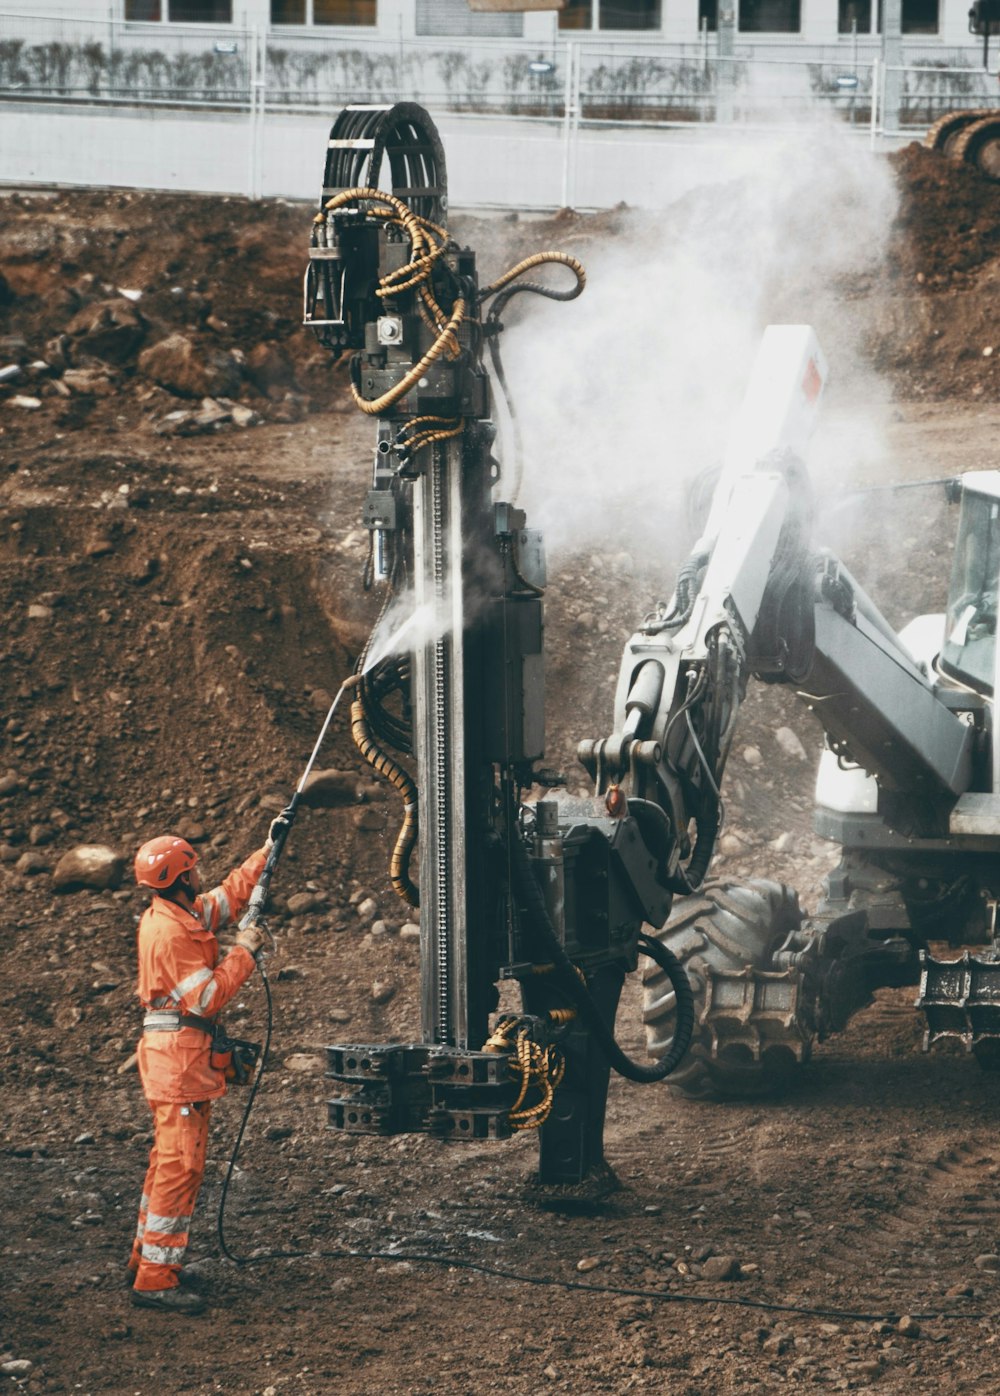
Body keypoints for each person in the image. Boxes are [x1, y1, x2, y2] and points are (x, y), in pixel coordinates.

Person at [127, 826, 281, 1314]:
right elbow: (207, 997)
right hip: (178, 1061)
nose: (199, 875)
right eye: (192, 869)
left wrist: (269, 847)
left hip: (177, 1056)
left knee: (167, 1162)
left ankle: (147, 1262)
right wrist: (246, 952)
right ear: (179, 877)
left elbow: (230, 897)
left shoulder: (179, 913)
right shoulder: (171, 932)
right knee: (180, 1166)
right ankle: (155, 1280)